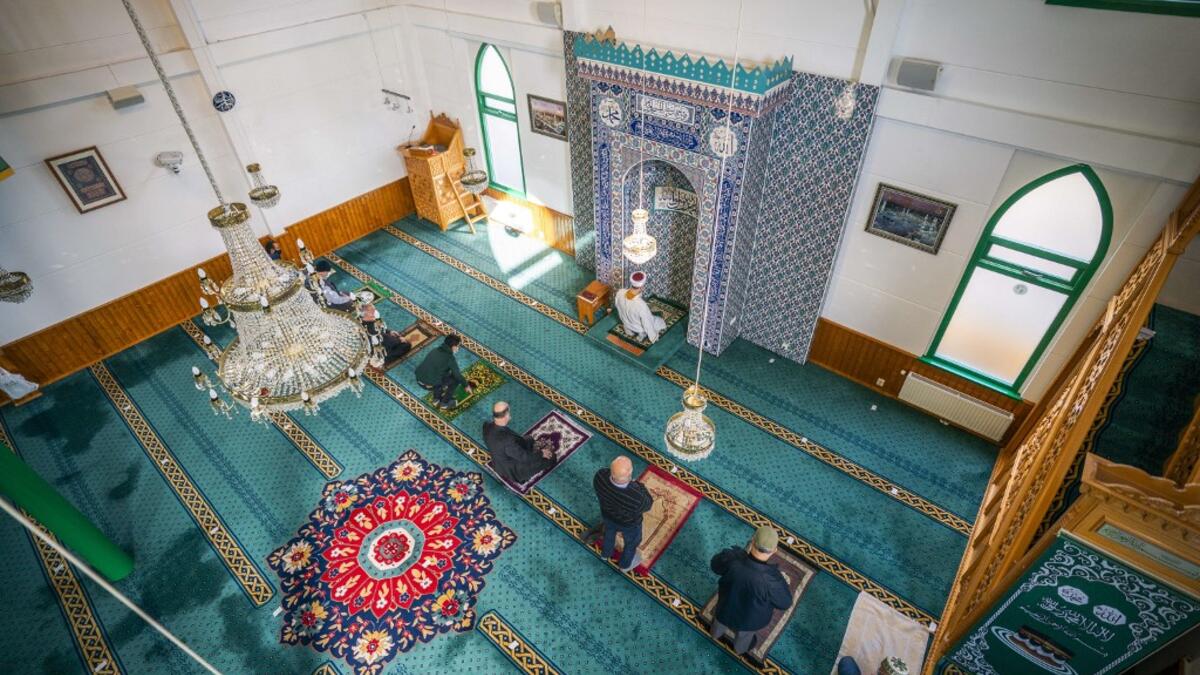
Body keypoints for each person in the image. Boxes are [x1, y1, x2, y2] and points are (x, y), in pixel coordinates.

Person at [708, 527, 793, 655]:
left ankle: (715, 634)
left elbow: (715, 565)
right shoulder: (773, 580)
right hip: (750, 621)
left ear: (752, 541)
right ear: (774, 550)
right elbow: (784, 603)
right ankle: (739, 649)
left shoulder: (732, 559)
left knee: (719, 623)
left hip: (725, 609)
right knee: (744, 637)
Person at [593, 456, 653, 572]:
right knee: (631, 543)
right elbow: (648, 504)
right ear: (630, 473)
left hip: (607, 516)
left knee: (609, 533)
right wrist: (639, 485)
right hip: (629, 524)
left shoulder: (600, 476)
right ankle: (624, 565)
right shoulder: (636, 496)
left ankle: (605, 554)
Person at [484, 401, 554, 486]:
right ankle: (521, 476)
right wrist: (542, 453)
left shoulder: (487, 425)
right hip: (513, 469)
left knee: (529, 439)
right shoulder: (508, 441)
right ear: (506, 415)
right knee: (551, 457)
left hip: (500, 460)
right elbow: (525, 457)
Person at [415, 335, 472, 409]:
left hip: (419, 379)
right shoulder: (450, 358)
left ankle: (436, 399)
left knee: (443, 374)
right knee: (455, 379)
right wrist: (466, 385)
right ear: (453, 347)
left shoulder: (435, 350)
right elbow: (457, 375)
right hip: (429, 384)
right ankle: (445, 403)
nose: (458, 348)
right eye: (458, 346)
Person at [613, 271, 666, 343]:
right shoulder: (641, 305)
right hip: (638, 327)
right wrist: (653, 337)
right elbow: (647, 323)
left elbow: (617, 306)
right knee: (660, 322)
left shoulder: (620, 292)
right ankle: (642, 333)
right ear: (641, 287)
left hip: (626, 322)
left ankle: (628, 329)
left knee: (641, 316)